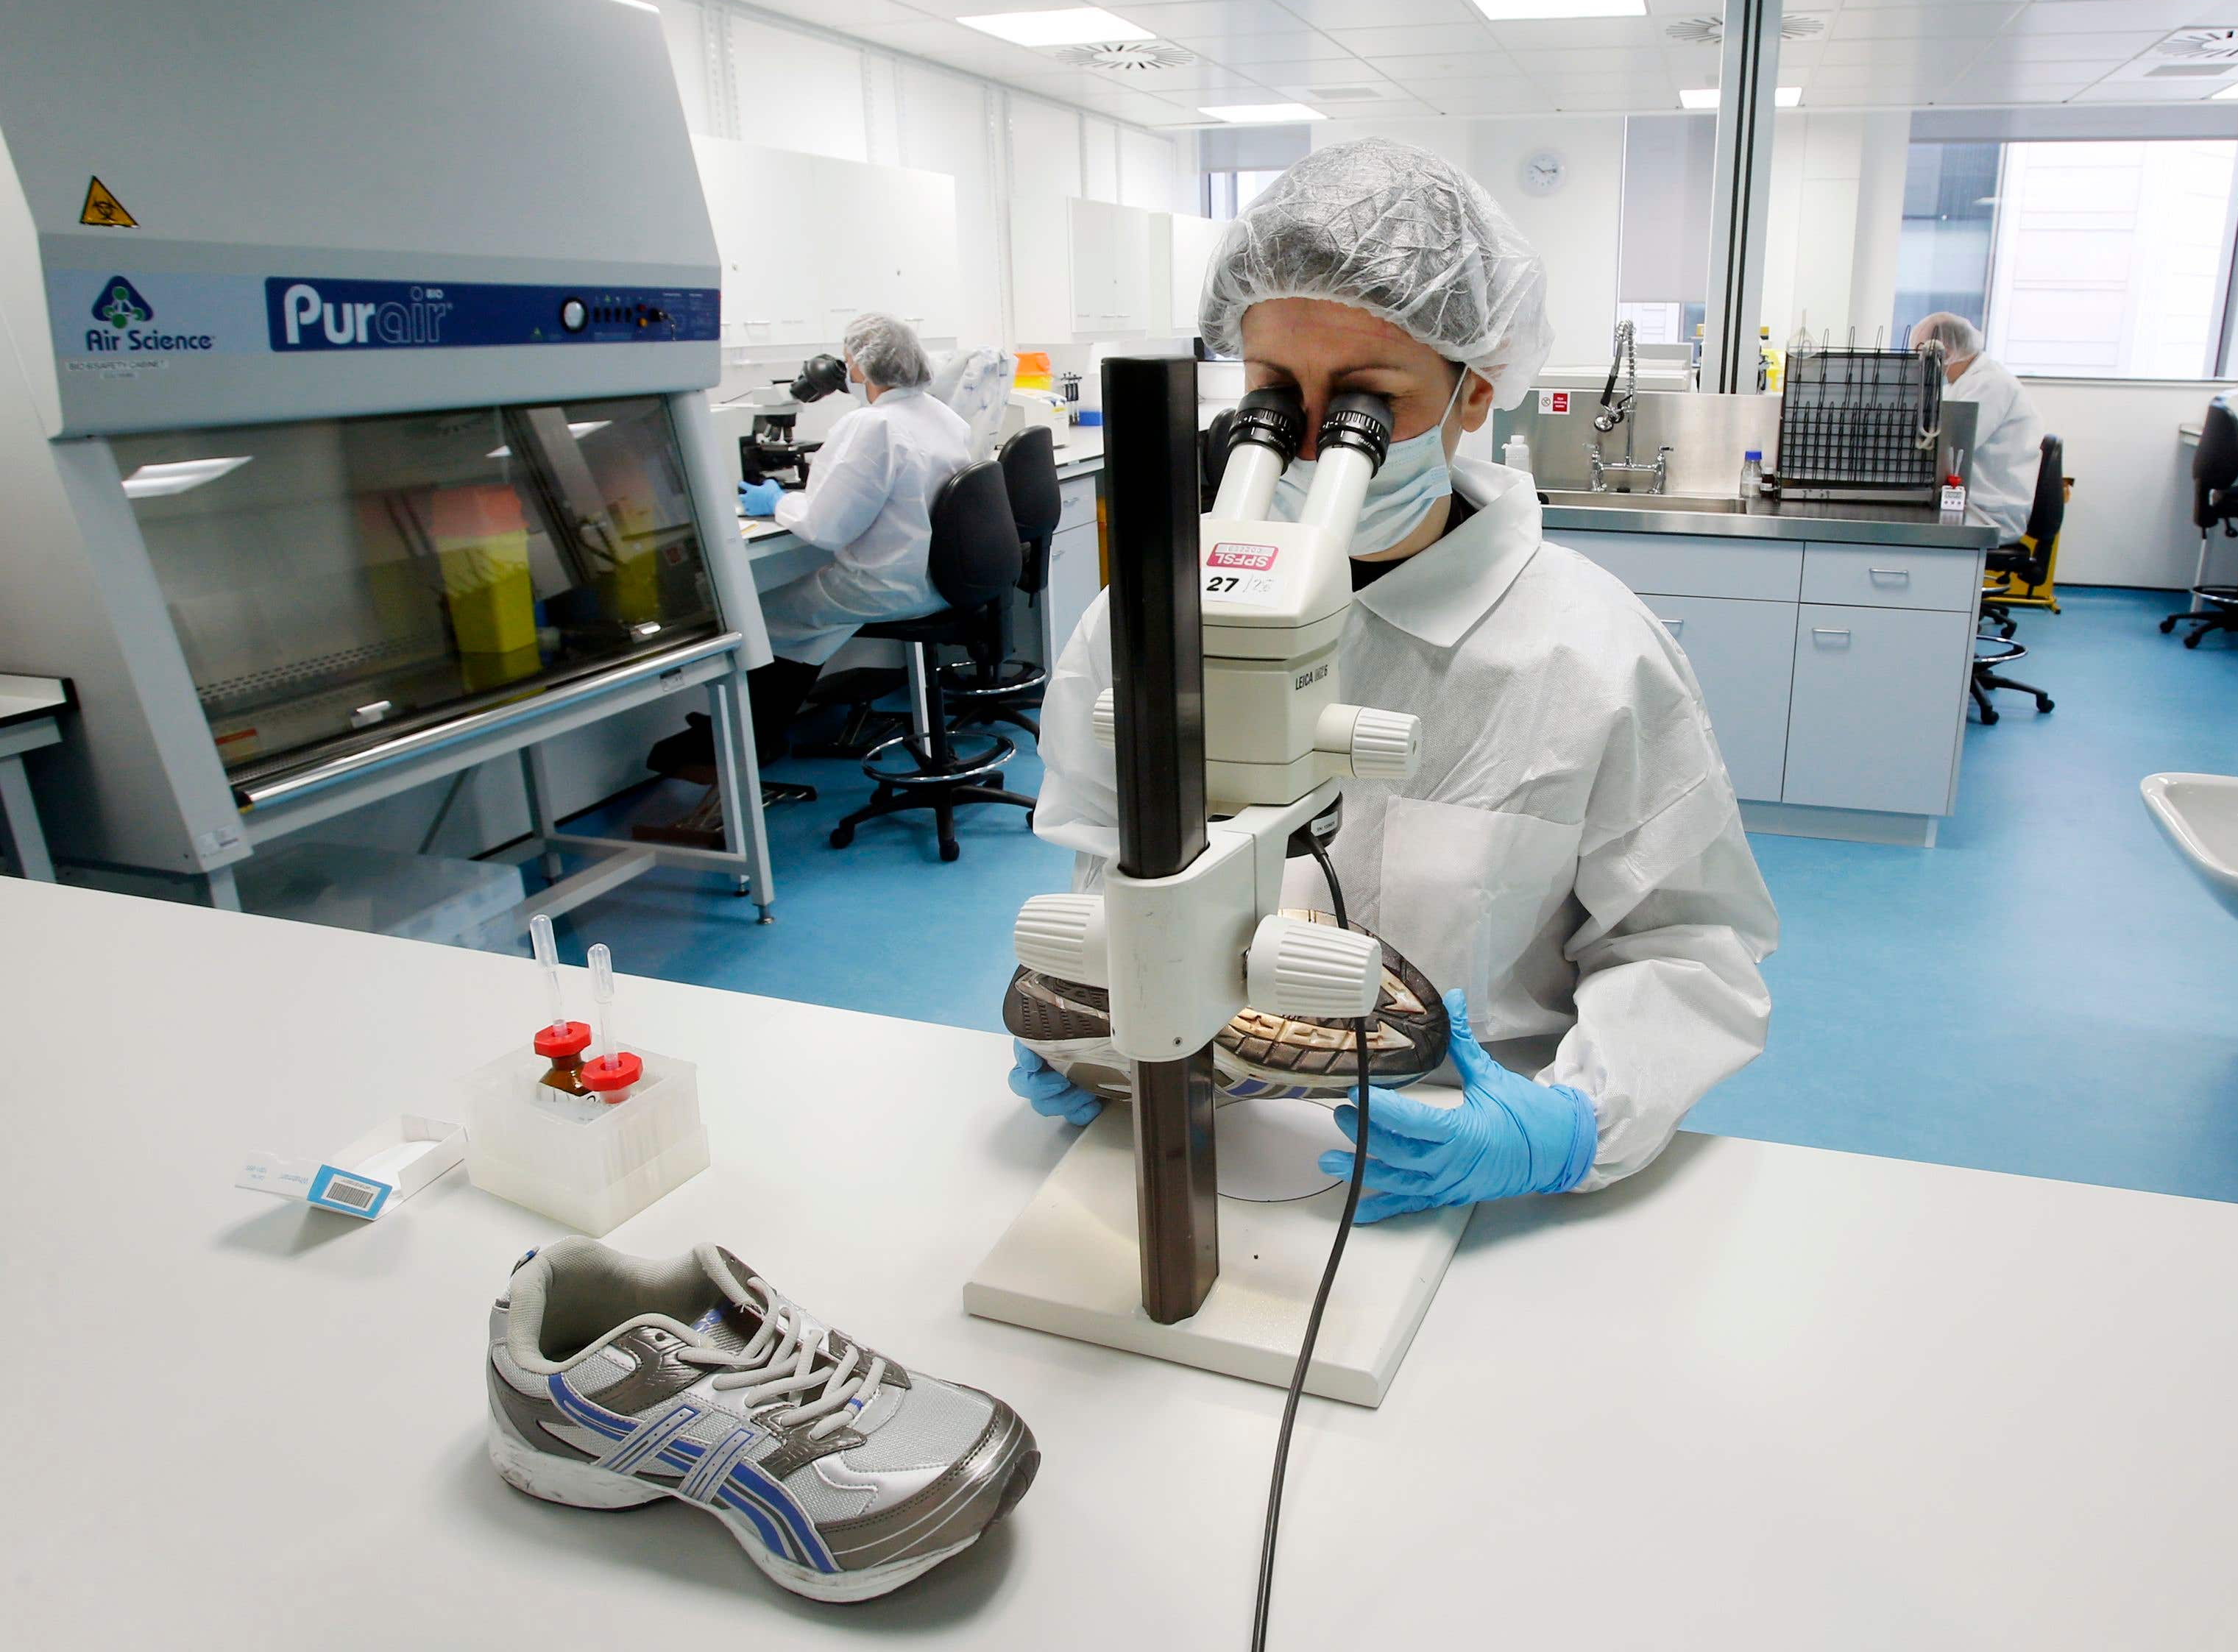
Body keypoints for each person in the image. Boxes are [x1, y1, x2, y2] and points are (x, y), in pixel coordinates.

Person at [1009, 138, 1780, 1223]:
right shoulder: (1141, 624)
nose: (1317, 441)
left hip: (1465, 1167)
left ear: (1477, 391)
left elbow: (1690, 949)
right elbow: (1103, 864)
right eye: (1274, 393)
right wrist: (1098, 1022)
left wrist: (1569, 1122)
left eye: (1371, 401)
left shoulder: (1592, 652)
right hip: (1192, 1137)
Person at [656, 313, 974, 772]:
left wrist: (777, 502)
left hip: (887, 585)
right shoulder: (942, 415)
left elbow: (826, 529)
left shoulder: (873, 425)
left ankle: (737, 742)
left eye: (849, 362)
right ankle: (760, 729)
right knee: (811, 623)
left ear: (861, 367)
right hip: (936, 579)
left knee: (757, 616)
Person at [1910, 311, 2044, 542]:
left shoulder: (1990, 384)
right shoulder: (1961, 383)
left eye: (1921, 354)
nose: (1919, 364)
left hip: (1991, 511)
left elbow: (1949, 448)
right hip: (1972, 504)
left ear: (1946, 352)